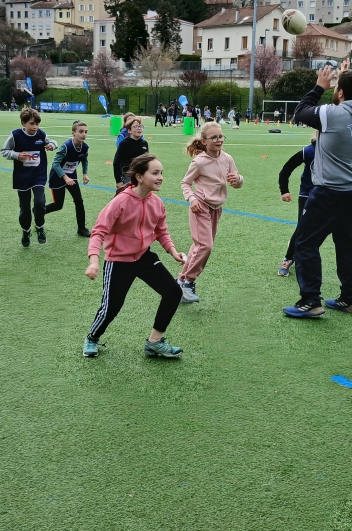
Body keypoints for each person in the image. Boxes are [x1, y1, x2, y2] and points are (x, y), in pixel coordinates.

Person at [283, 58, 352, 318]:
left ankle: (310, 301)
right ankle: (349, 299)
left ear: (341, 92)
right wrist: (344, 79)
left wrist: (319, 86)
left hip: (329, 192)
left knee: (305, 243)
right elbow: (347, 102)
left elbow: (301, 111)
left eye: (338, 87)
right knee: (346, 244)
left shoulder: (333, 114)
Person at [83, 153, 186, 359]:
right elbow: (99, 232)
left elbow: (161, 232)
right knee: (112, 306)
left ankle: (154, 343)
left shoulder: (156, 203)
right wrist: (94, 261)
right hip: (118, 260)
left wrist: (174, 252)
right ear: (139, 176)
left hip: (144, 256)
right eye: (155, 173)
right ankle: (92, 338)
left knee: (173, 292)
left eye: (161, 173)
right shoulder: (120, 202)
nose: (160, 177)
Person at [175, 122, 243, 304]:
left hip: (216, 208)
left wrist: (238, 180)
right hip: (200, 206)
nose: (219, 140)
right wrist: (192, 199)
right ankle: (188, 282)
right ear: (204, 142)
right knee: (206, 246)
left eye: (220, 136)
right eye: (214, 137)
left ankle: (180, 281)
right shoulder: (199, 161)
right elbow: (185, 183)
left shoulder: (227, 158)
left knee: (199, 246)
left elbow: (237, 182)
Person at [0, 107, 57, 246]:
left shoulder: (41, 135)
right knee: (25, 208)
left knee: (40, 203)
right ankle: (26, 231)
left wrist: (51, 145)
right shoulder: (15, 135)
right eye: (32, 123)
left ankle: (40, 227)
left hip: (38, 175)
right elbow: (4, 150)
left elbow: (53, 142)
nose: (35, 127)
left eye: (37, 123)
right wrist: (17, 155)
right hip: (22, 177)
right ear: (23, 123)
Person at [277, 137, 316, 277]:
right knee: (302, 228)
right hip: (308, 195)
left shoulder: (336, 150)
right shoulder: (308, 151)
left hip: (329, 194)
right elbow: (286, 169)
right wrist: (284, 190)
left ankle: (307, 257)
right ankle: (288, 258)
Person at [44, 120, 90, 237]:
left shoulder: (85, 147)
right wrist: (65, 177)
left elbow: (84, 159)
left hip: (71, 177)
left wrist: (85, 173)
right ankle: (38, 211)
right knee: (58, 205)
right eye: (81, 131)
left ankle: (81, 228)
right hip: (58, 177)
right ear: (73, 133)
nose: (84, 134)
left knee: (79, 201)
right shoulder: (66, 147)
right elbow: (55, 164)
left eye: (86, 132)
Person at [113, 116, 149, 194]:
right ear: (129, 130)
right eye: (135, 126)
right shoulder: (125, 143)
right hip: (128, 176)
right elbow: (116, 162)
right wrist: (118, 180)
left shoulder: (144, 143)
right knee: (128, 196)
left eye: (140, 126)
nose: (139, 128)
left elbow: (147, 161)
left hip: (141, 175)